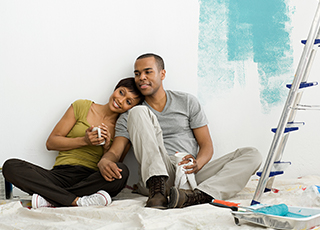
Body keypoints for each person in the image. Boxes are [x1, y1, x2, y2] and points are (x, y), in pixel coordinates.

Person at [97, 53, 262, 209]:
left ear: (162, 74)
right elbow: (115, 152)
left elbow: (206, 146)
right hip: (158, 174)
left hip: (189, 173)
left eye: (148, 72)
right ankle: (158, 189)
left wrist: (197, 165)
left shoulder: (187, 101)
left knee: (252, 154)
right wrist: (105, 160)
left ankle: (196, 196)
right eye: (137, 74)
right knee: (137, 112)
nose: (142, 78)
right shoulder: (131, 114)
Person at [2, 77, 144, 208]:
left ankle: (52, 198)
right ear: (115, 89)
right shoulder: (81, 106)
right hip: (60, 175)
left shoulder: (123, 129)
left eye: (128, 102)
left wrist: (107, 147)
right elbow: (51, 143)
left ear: (131, 108)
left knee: (121, 172)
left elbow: (113, 166)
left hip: (91, 179)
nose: (121, 100)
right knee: (10, 166)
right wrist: (84, 140)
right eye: (121, 93)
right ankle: (75, 201)